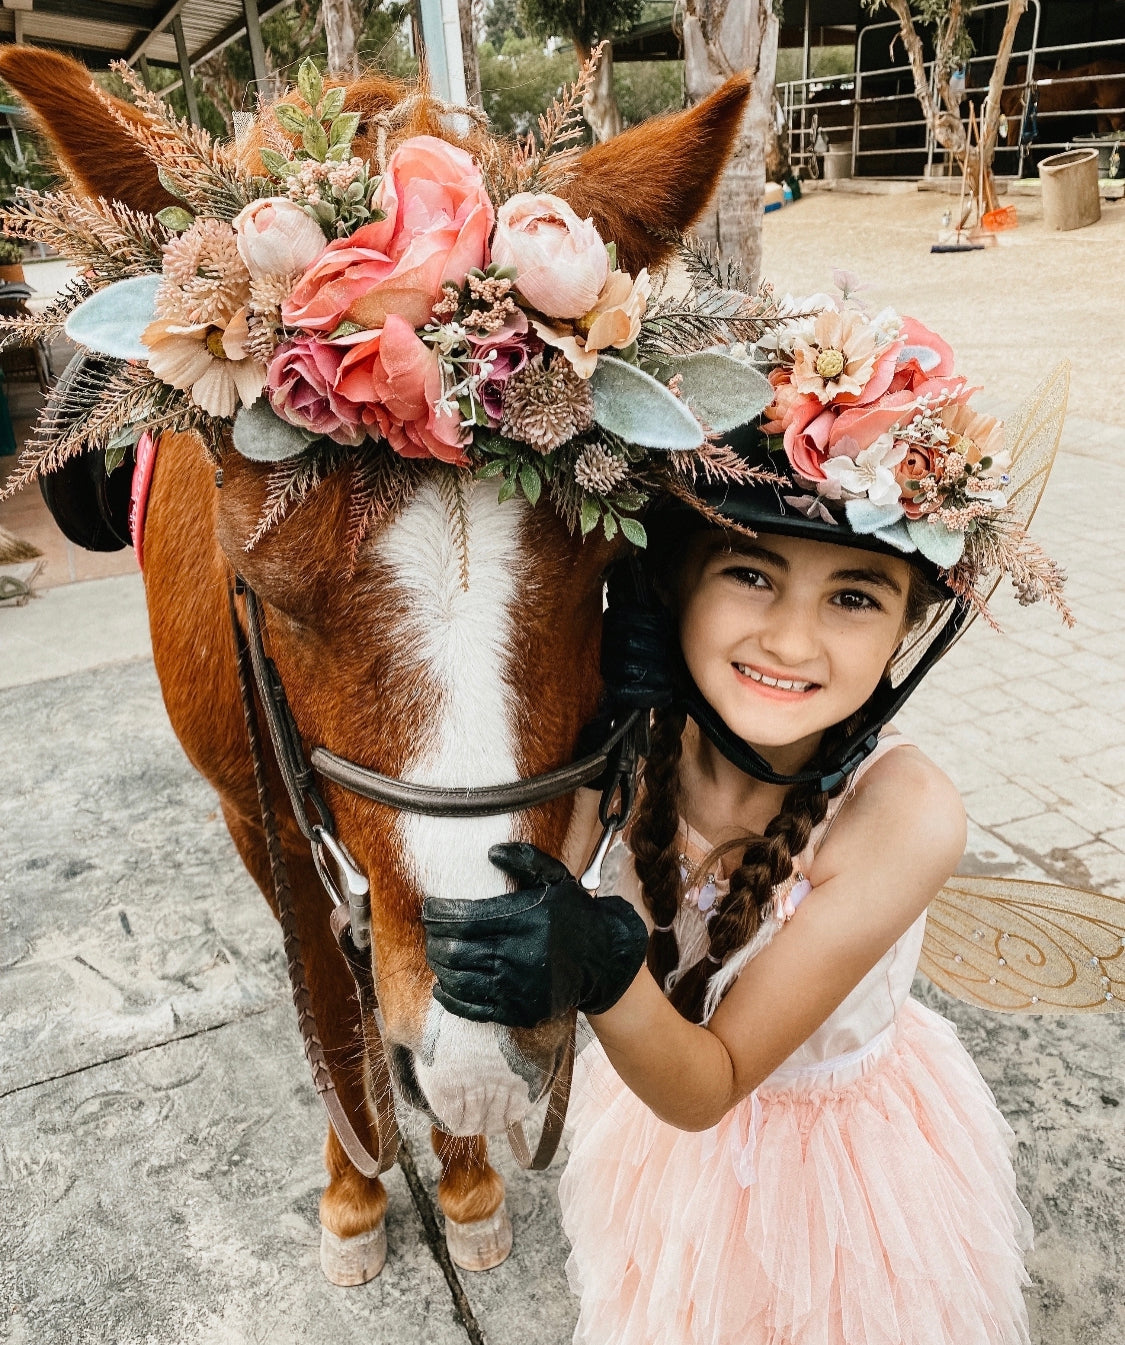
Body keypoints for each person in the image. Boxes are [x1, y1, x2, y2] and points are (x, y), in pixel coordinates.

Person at [423, 299, 1073, 1345]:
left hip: (834, 1174)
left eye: (855, 597)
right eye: (750, 572)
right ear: (672, 585)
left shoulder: (903, 814)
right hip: (660, 1127)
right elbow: (551, 864)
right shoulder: (642, 735)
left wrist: (601, 971)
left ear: (909, 627)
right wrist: (607, 727)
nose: (791, 637)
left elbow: (709, 1082)